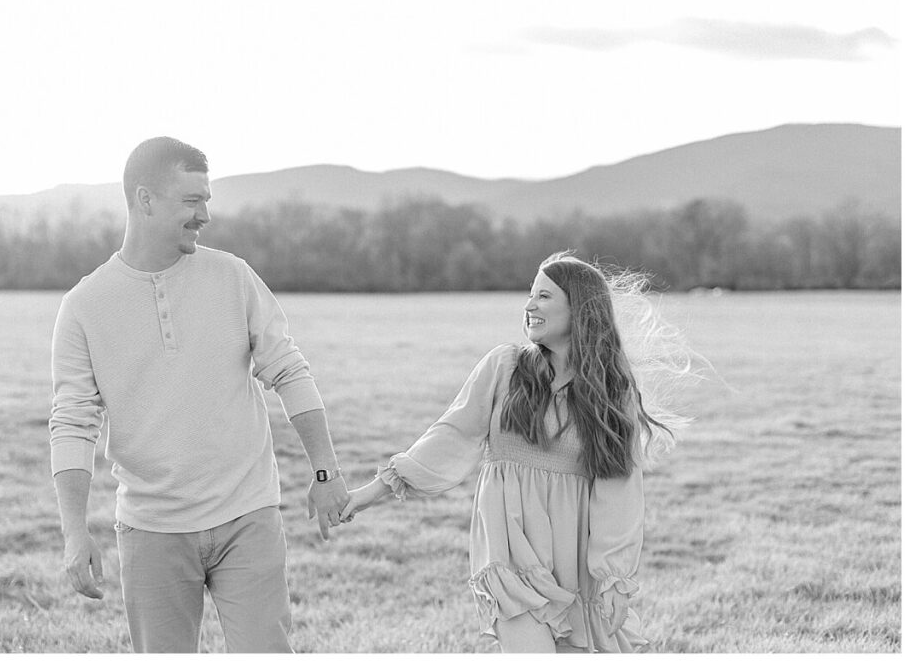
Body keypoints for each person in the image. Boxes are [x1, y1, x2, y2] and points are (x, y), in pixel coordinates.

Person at [48, 136, 349, 653]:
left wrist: (326, 472)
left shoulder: (232, 276)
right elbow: (73, 423)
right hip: (151, 530)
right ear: (145, 200)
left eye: (206, 199)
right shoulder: (84, 306)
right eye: (191, 201)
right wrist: (76, 532)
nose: (204, 214)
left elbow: (289, 370)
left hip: (247, 515)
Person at [341, 251, 691, 653]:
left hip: (575, 565)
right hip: (510, 557)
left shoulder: (611, 392)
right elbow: (449, 437)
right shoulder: (504, 367)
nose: (529, 305)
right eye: (529, 295)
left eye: (543, 296)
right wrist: (372, 492)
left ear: (580, 308)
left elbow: (619, 490)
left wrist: (614, 578)